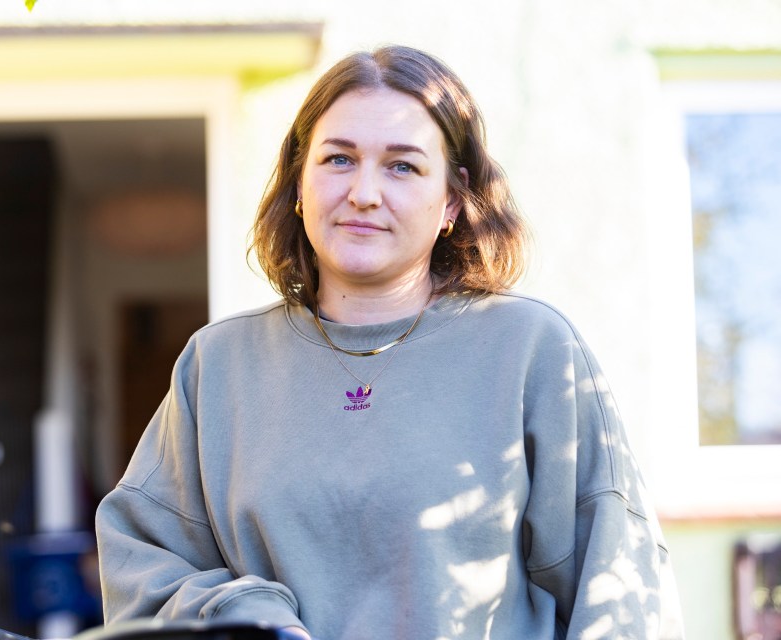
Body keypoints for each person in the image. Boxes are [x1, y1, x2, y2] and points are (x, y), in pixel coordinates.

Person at [95, 45, 684, 640]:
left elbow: (620, 584)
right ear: (300, 180)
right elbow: (141, 561)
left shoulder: (531, 350)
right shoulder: (217, 366)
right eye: (338, 159)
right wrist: (242, 614)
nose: (365, 193)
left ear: (452, 199)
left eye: (402, 166)